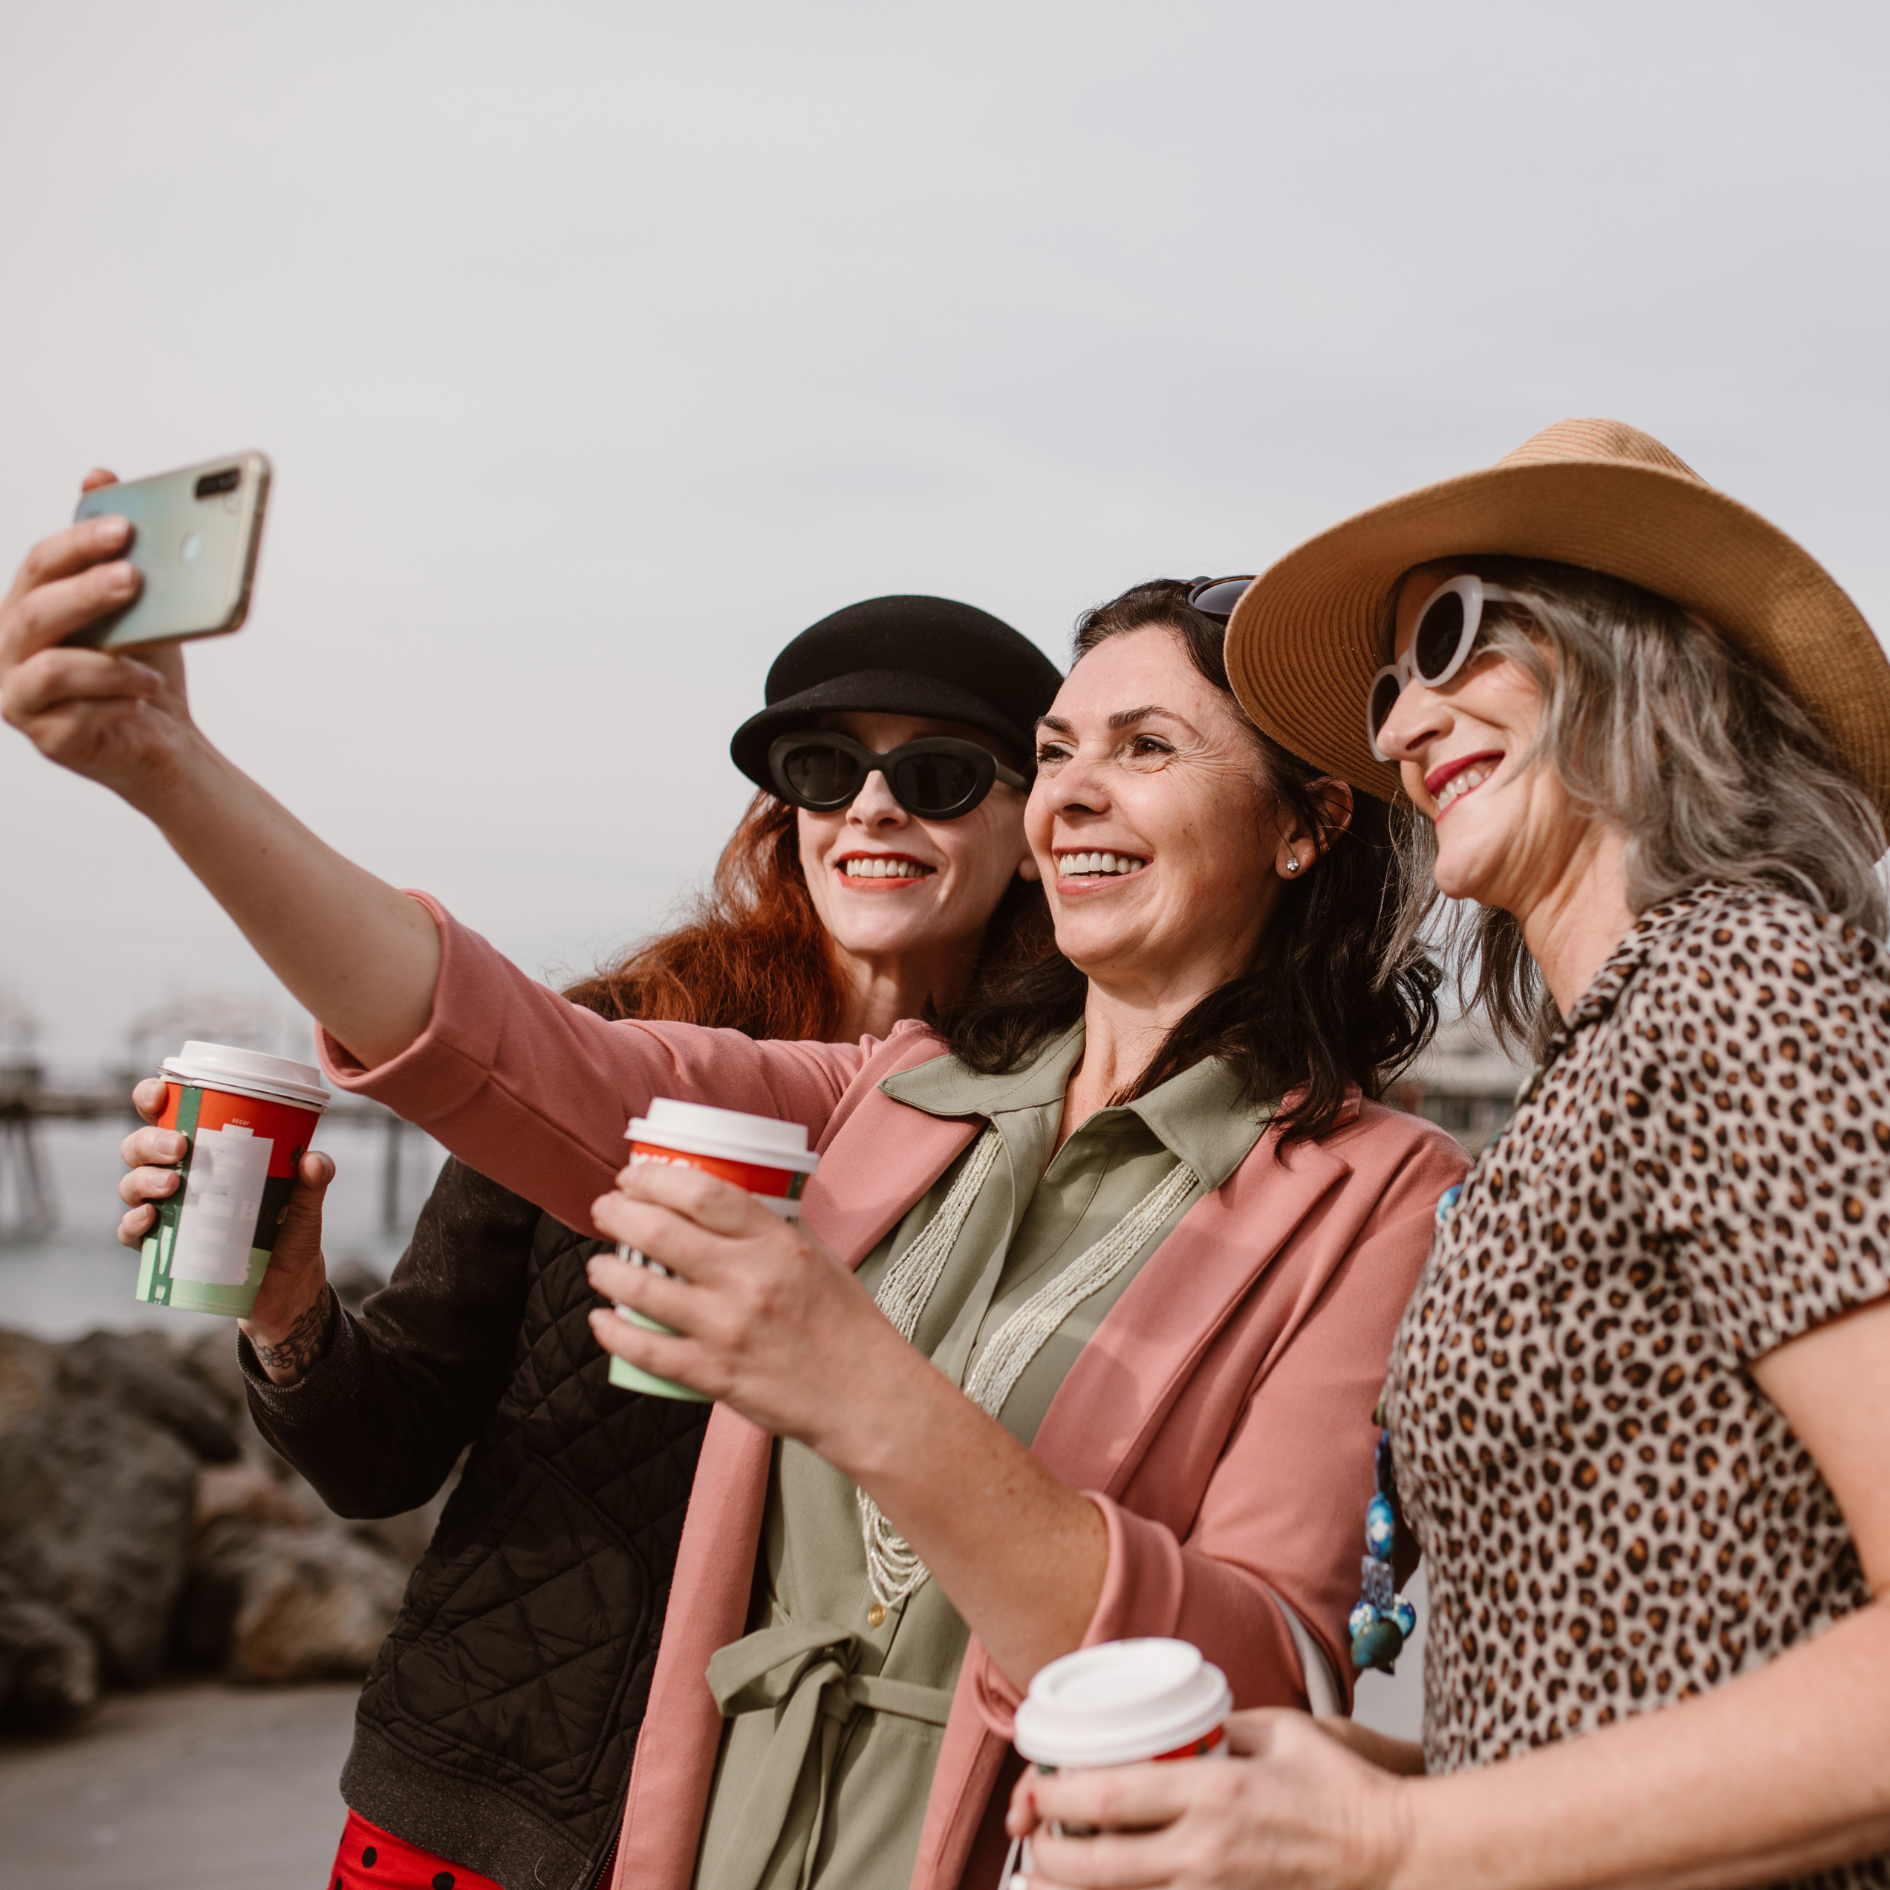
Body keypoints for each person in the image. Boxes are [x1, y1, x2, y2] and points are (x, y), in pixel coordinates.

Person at [1, 510, 1467, 1890]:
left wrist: (854, 1384)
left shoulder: (1379, 1193)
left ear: (1305, 823)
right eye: (1060, 747)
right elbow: (489, 1040)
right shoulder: (888, 1090)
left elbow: (1267, 1670)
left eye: (1144, 747)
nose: (1073, 791)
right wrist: (162, 764)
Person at [1006, 420, 1890, 1890]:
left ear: (1632, 651)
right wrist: (1377, 1775)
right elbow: (1656, 1662)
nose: (1406, 721)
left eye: (1452, 638)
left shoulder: (1745, 987)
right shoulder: (1604, 1053)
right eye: (1386, 685)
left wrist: (1395, 1836)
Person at [115, 589, 1064, 1890]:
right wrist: (286, 1311)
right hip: (476, 1801)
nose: (874, 806)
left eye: (941, 773)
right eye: (823, 768)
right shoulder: (610, 1046)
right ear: (783, 812)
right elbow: (383, 1450)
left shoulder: (1056, 1138)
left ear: (1033, 829)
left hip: (811, 1835)